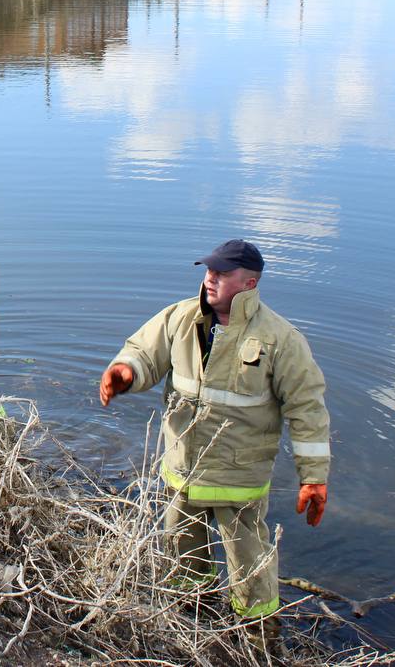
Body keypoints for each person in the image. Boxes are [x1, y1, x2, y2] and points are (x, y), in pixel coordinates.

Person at [98, 239, 330, 640]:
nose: (210, 278)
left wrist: (313, 478)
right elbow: (143, 353)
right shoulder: (180, 318)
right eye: (208, 270)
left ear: (250, 282)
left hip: (237, 479)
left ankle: (259, 637)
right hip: (182, 472)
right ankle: (188, 619)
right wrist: (124, 373)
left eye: (222, 273)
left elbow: (307, 410)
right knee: (181, 555)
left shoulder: (280, 340)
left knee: (249, 566)